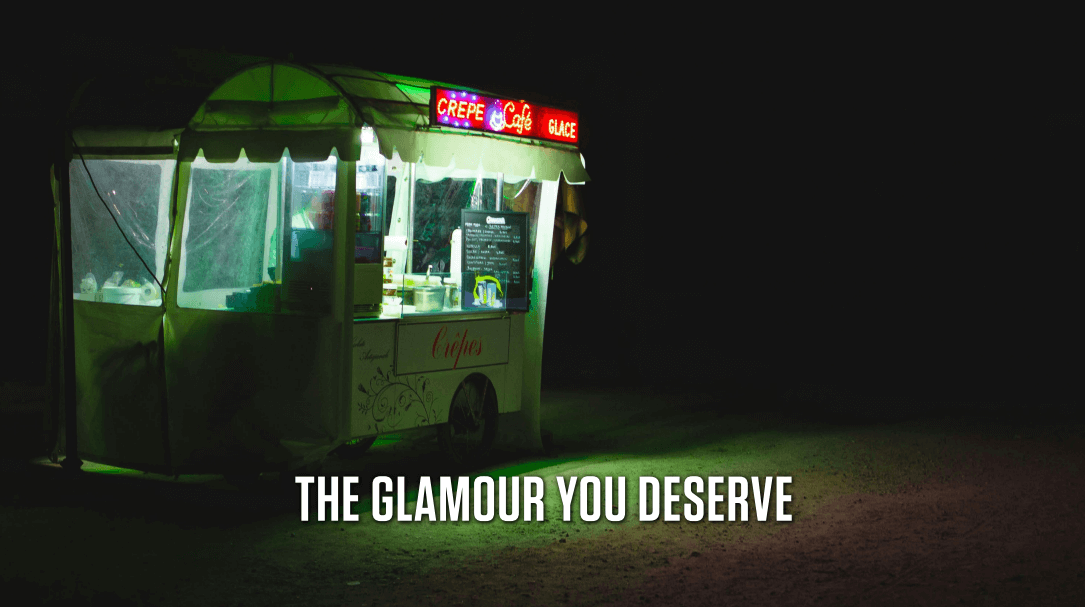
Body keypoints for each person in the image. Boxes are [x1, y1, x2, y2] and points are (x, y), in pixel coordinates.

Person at [268, 191, 328, 280]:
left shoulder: (316, 227)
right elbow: (273, 268)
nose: (327, 210)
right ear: (314, 201)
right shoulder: (293, 225)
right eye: (325, 204)